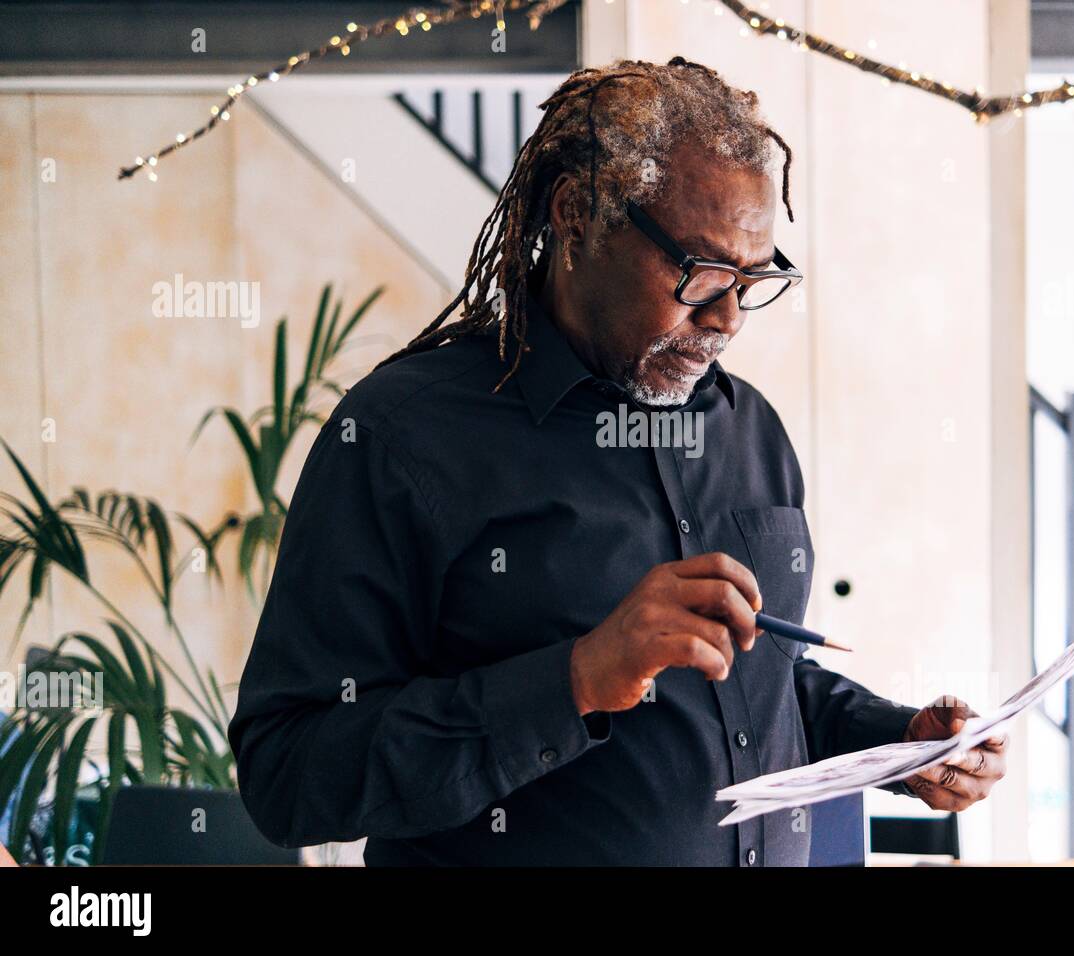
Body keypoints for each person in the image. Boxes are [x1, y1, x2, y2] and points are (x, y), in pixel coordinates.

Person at [229, 56, 1005, 866]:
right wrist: (575, 680)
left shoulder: (750, 431)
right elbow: (288, 773)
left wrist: (901, 742)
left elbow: (763, 683)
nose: (730, 317)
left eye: (753, 276)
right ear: (576, 216)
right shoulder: (401, 438)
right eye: (701, 270)